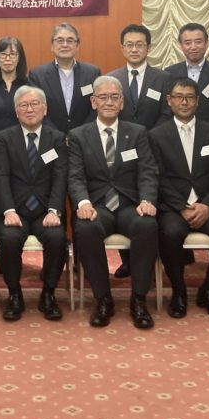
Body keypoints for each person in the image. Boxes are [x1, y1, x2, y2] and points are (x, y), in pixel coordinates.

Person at [68, 76, 159, 329]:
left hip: (130, 205)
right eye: (103, 97)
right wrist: (83, 203)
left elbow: (148, 171)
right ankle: (103, 299)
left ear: (121, 103)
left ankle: (138, 300)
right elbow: (75, 176)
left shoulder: (137, 133)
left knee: (147, 225)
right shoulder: (78, 136)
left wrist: (147, 200)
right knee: (85, 228)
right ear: (93, 102)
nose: (109, 102)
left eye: (114, 97)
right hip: (98, 206)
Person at [149, 77, 209, 319]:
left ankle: (208, 289)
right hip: (174, 207)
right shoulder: (156, 135)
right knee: (169, 234)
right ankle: (178, 291)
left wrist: (208, 205)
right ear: (169, 100)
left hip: (208, 205)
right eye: (179, 97)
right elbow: (158, 178)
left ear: (198, 101)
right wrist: (181, 207)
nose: (184, 102)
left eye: (189, 97)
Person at [0, 85, 68, 321]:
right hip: (15, 210)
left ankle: (48, 293)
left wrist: (55, 210)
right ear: (16, 111)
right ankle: (15, 294)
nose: (29, 109)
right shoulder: (4, 138)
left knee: (57, 238)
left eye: (35, 104)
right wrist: (8, 210)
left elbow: (60, 177)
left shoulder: (57, 138)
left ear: (45, 109)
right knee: (9, 239)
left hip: (46, 210)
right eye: (23, 105)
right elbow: (0, 177)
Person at [106, 23, 171, 278]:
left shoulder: (163, 78)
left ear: (148, 47)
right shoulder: (112, 79)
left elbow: (167, 114)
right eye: (129, 45)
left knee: (148, 205)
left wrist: (145, 139)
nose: (134, 49)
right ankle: (128, 261)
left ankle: (149, 260)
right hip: (119, 152)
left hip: (154, 149)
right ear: (122, 48)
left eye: (139, 45)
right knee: (122, 201)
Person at [28, 22, 101, 134]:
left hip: (85, 136)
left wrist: (80, 134)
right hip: (50, 137)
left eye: (70, 40)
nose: (65, 45)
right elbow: (36, 109)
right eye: (60, 40)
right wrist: (56, 135)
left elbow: (97, 107)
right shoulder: (37, 75)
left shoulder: (93, 73)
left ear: (77, 46)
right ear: (52, 46)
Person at [165, 23, 209, 128]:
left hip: (208, 133)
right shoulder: (170, 73)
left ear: (206, 43)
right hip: (176, 133)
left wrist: (202, 132)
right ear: (181, 46)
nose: (193, 47)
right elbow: (166, 109)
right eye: (188, 43)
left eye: (198, 42)